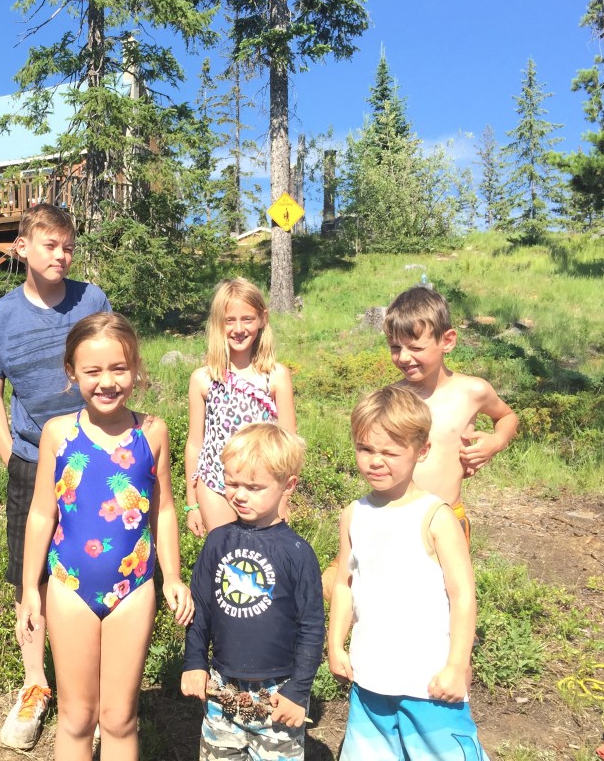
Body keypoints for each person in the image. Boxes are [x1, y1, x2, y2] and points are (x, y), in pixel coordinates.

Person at [18, 312, 194, 760]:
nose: (107, 381)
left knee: (119, 718)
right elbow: (41, 514)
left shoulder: (151, 432)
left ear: (135, 368)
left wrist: (171, 576)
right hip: (68, 586)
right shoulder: (58, 435)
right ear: (72, 372)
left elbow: (165, 508)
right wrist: (29, 590)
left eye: (119, 368)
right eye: (93, 371)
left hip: (133, 589)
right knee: (77, 718)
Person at [0, 203, 111, 751]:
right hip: (32, 460)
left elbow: (112, 364)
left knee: (96, 562)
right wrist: (11, 452)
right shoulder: (0, 317)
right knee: (29, 574)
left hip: (93, 456)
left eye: (68, 246)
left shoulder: (91, 301)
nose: (61, 255)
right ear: (22, 248)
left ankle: (95, 693)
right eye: (50, 245)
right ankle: (36, 684)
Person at [321, 285, 518, 597]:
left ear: (447, 341)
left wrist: (495, 442)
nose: (404, 357)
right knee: (385, 591)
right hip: (394, 512)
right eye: (395, 348)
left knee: (446, 593)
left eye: (415, 347)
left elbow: (507, 417)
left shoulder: (472, 391)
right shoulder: (394, 399)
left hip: (445, 517)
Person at [327, 385, 489, 761]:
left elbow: (462, 594)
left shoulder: (437, 516)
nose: (375, 461)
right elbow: (344, 585)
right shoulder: (354, 514)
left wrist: (457, 665)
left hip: (429, 684)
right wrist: (336, 644)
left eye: (390, 452)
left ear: (422, 450)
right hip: (370, 681)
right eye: (365, 449)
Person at [181, 423, 324, 761]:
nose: (239, 494)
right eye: (232, 483)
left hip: (278, 693)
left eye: (254, 486)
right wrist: (194, 662)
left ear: (288, 485)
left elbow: (311, 627)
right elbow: (199, 607)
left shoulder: (297, 552)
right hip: (221, 688)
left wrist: (298, 691)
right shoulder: (217, 541)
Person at [185, 278, 297, 537]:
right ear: (217, 324)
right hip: (215, 483)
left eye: (247, 319)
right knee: (225, 553)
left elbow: (289, 442)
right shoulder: (204, 379)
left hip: (264, 484)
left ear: (262, 319)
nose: (238, 328)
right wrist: (192, 503)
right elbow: (194, 443)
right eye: (229, 320)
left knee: (265, 553)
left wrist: (284, 497)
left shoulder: (275, 376)